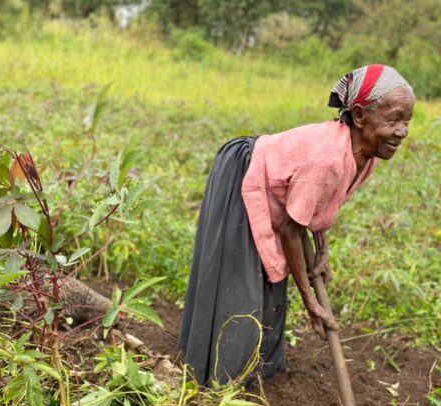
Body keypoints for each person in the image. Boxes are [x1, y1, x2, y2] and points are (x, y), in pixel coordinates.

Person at [178, 64, 415, 385]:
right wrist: (310, 300)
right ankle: (217, 382)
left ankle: (262, 375)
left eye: (406, 121)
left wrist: (323, 251)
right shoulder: (327, 159)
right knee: (241, 284)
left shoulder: (367, 156)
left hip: (280, 189)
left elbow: (323, 204)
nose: (402, 131)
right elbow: (292, 228)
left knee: (270, 287)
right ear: (359, 116)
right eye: (394, 119)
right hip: (245, 175)